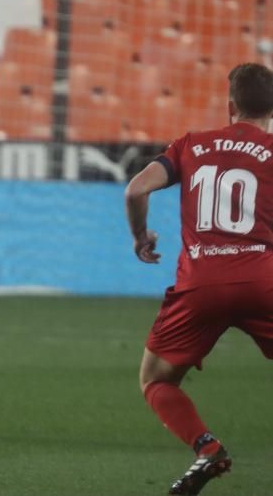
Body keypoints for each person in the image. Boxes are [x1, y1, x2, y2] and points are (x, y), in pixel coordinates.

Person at [125, 62, 273, 495]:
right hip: (263, 280)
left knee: (155, 379)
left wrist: (141, 236)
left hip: (201, 283)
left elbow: (135, 189)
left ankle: (208, 449)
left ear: (230, 105)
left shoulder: (191, 145)